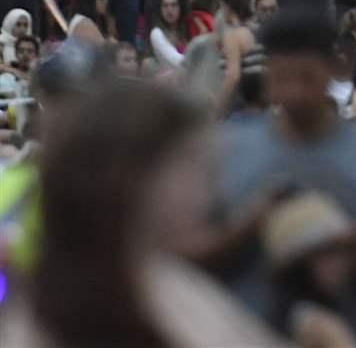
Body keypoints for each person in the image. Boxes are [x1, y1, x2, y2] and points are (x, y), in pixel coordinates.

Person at [0, 80, 314, 348]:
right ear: (128, 176)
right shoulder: (40, 322)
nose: (207, 190)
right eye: (191, 164)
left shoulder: (167, 283)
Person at [209, 12, 356, 345]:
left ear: (330, 71)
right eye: (284, 78)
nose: (295, 92)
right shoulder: (228, 149)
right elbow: (193, 253)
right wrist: (253, 224)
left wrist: (337, 240)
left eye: (306, 77)